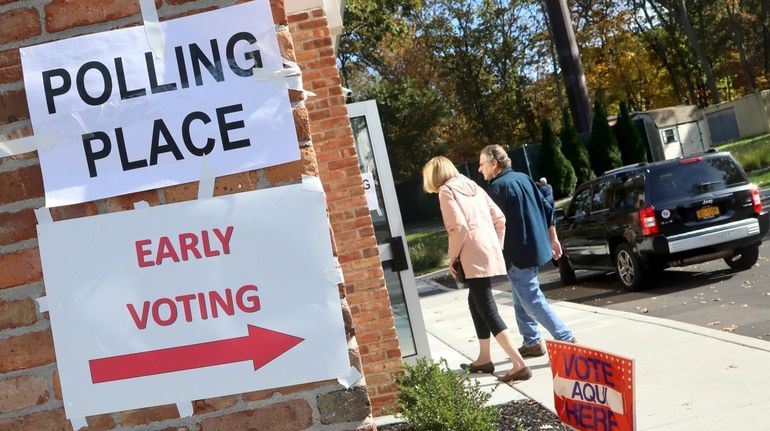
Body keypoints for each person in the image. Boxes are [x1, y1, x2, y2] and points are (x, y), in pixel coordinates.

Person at [423, 156, 531, 382]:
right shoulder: (474, 186)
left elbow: (458, 227)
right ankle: (484, 358)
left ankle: (518, 364)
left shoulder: (446, 191)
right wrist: (495, 244)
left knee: (487, 308)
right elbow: (499, 218)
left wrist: (451, 259)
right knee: (476, 302)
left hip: (471, 254)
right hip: (488, 249)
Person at [478, 145, 576, 358]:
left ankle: (566, 338)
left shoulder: (496, 189)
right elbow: (547, 208)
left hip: (517, 252)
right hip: (535, 249)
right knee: (520, 296)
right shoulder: (523, 179)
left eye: (482, 164)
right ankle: (531, 341)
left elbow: (490, 225)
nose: (479, 169)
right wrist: (553, 238)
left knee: (531, 299)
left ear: (494, 164)